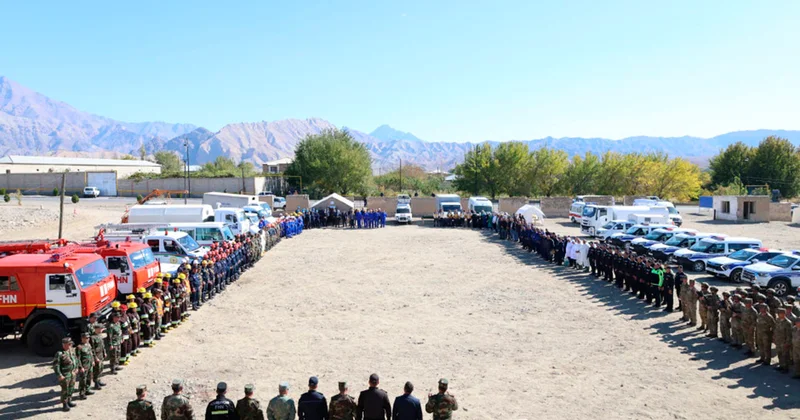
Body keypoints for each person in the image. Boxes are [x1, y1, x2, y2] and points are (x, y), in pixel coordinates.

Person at [53, 337, 78, 411]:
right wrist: (59, 375)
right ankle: (65, 404)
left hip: (72, 373)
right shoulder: (59, 353)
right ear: (64, 345)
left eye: (71, 344)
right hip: (65, 375)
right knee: (65, 390)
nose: (70, 345)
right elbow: (56, 365)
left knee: (71, 388)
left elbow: (75, 360)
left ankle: (69, 400)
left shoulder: (71, 351)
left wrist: (76, 368)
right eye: (69, 344)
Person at [75, 332, 96, 399]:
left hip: (89, 364)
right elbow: (77, 358)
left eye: (88, 338)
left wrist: (92, 361)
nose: (88, 339)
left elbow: (91, 353)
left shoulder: (88, 345)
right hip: (84, 366)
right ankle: (82, 393)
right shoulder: (79, 347)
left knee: (89, 378)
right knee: (83, 380)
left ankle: (87, 389)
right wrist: (80, 367)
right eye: (86, 338)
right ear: (82, 338)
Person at [774, 308, 793, 373]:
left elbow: (789, 334)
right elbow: (775, 330)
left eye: (781, 313)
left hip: (784, 342)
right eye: (779, 313)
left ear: (784, 314)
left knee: (785, 355)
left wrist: (787, 343)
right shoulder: (777, 320)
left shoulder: (788, 322)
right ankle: (781, 365)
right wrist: (774, 338)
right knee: (779, 354)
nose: (779, 315)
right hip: (778, 341)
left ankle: (786, 368)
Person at [90, 323, 107, 388]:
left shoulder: (100, 335)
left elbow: (102, 345)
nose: (102, 330)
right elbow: (92, 349)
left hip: (101, 355)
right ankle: (96, 383)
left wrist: (104, 352)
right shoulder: (92, 338)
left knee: (101, 368)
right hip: (96, 356)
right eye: (101, 328)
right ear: (96, 329)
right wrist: (95, 358)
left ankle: (99, 380)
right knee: (96, 369)